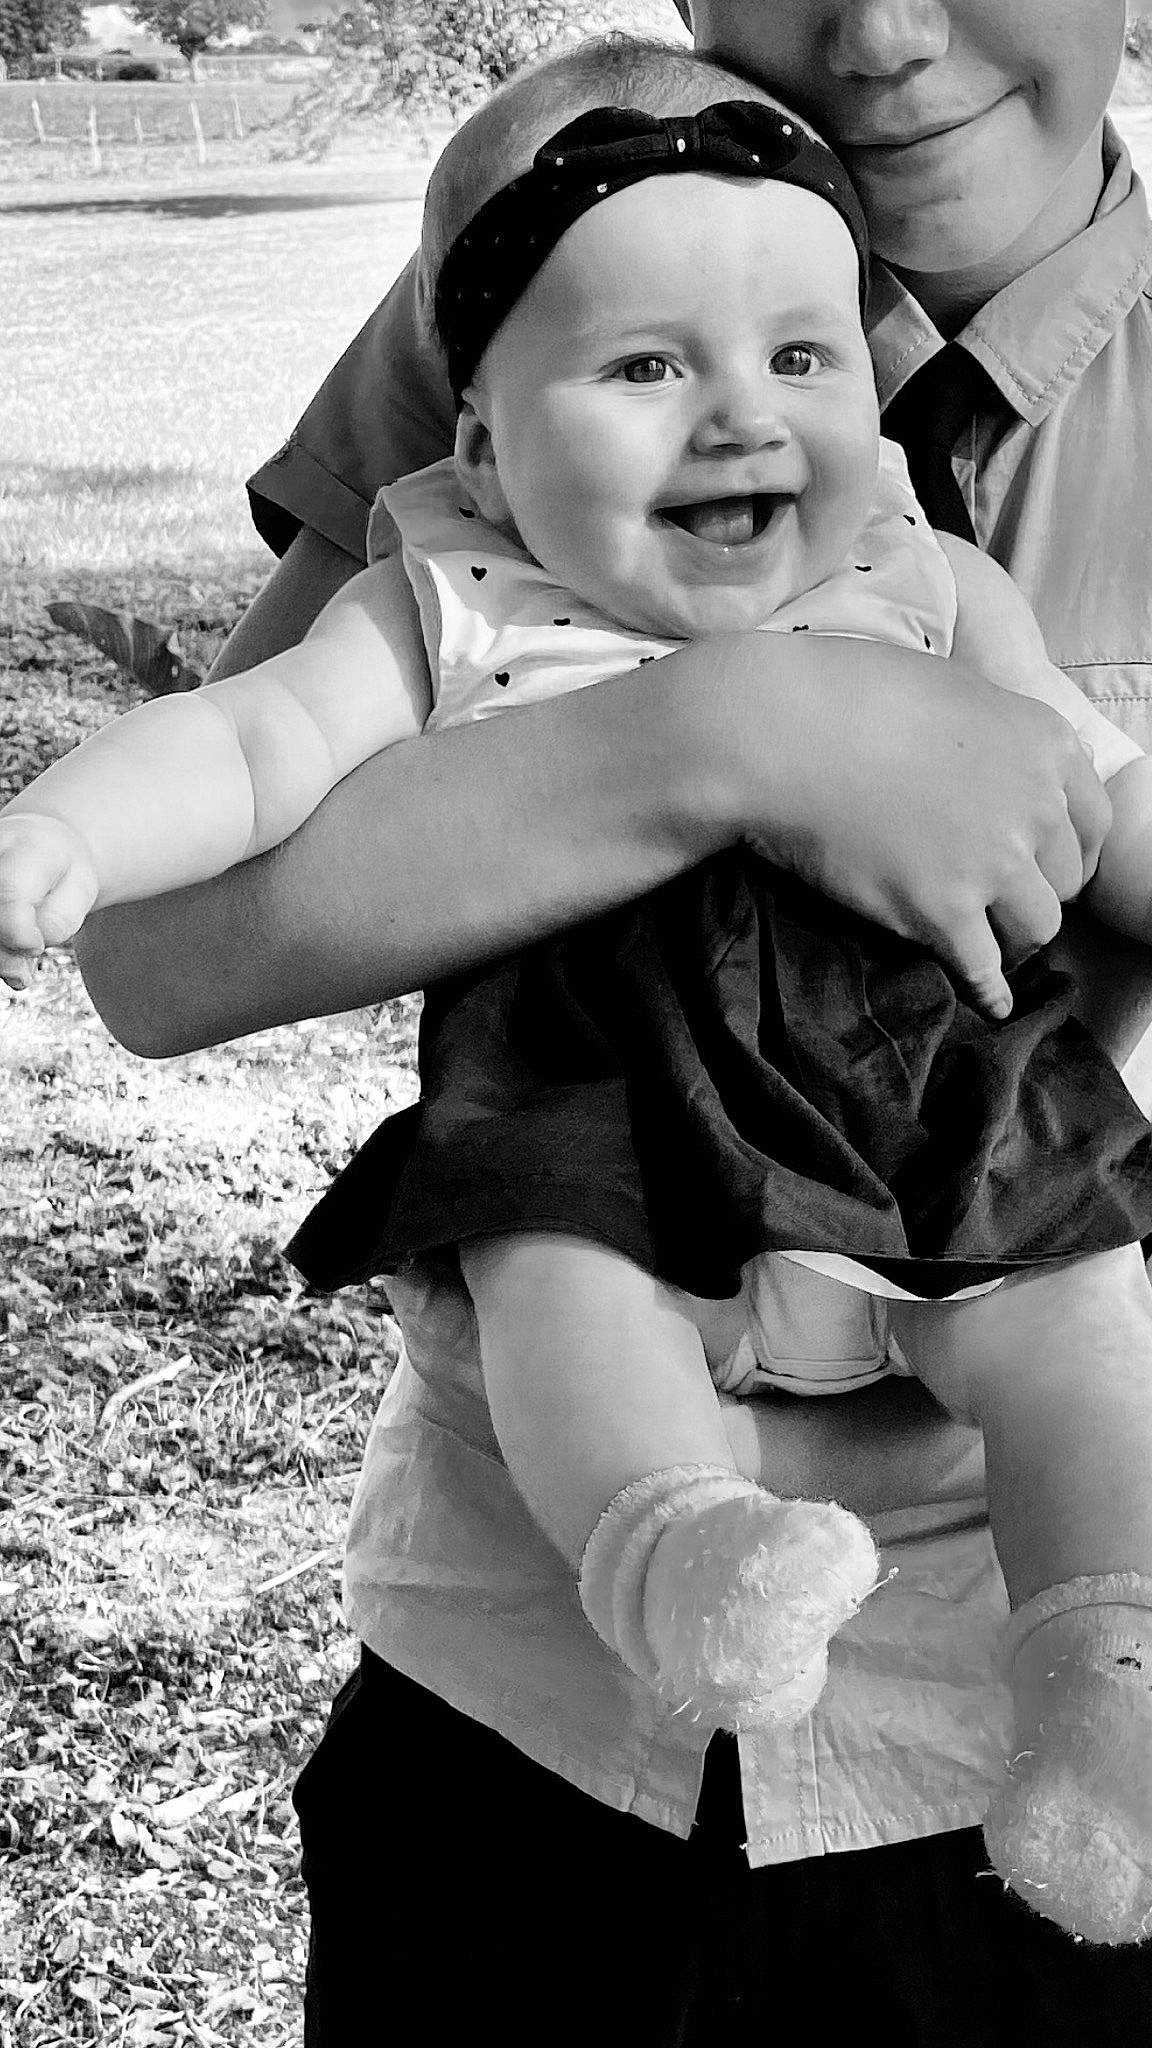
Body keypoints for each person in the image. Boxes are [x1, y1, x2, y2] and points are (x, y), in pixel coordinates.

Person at [63, 1, 1152, 2040]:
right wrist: (724, 730)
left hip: (1014, 1728)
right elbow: (167, 946)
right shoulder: (543, 212)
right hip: (534, 1700)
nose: (884, 31)